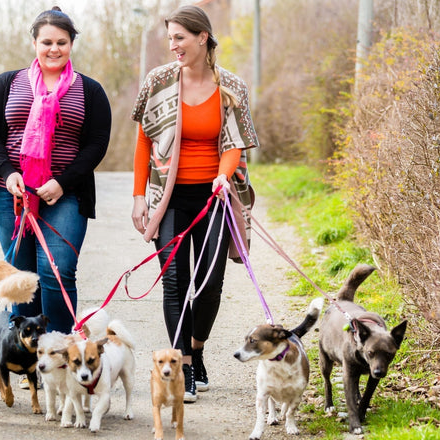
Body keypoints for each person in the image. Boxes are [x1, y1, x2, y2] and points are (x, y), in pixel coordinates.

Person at [130, 5, 258, 403]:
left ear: (202, 37)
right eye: (170, 39)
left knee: (209, 283)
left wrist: (223, 174)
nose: (173, 46)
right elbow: (144, 142)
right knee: (174, 281)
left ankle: (197, 348)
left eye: (180, 38)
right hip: (167, 196)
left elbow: (235, 143)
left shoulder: (231, 87)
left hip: (215, 194)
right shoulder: (158, 82)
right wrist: (138, 196)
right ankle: (183, 363)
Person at [0, 6, 111, 336]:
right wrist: (7, 174)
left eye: (62, 42)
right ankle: (29, 356)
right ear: (34, 42)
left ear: (71, 44)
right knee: (21, 276)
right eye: (47, 41)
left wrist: (62, 183)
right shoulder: (8, 83)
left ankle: (61, 351)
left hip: (64, 193)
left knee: (58, 271)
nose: (54, 49)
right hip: (12, 193)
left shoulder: (89, 90)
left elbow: (96, 144)